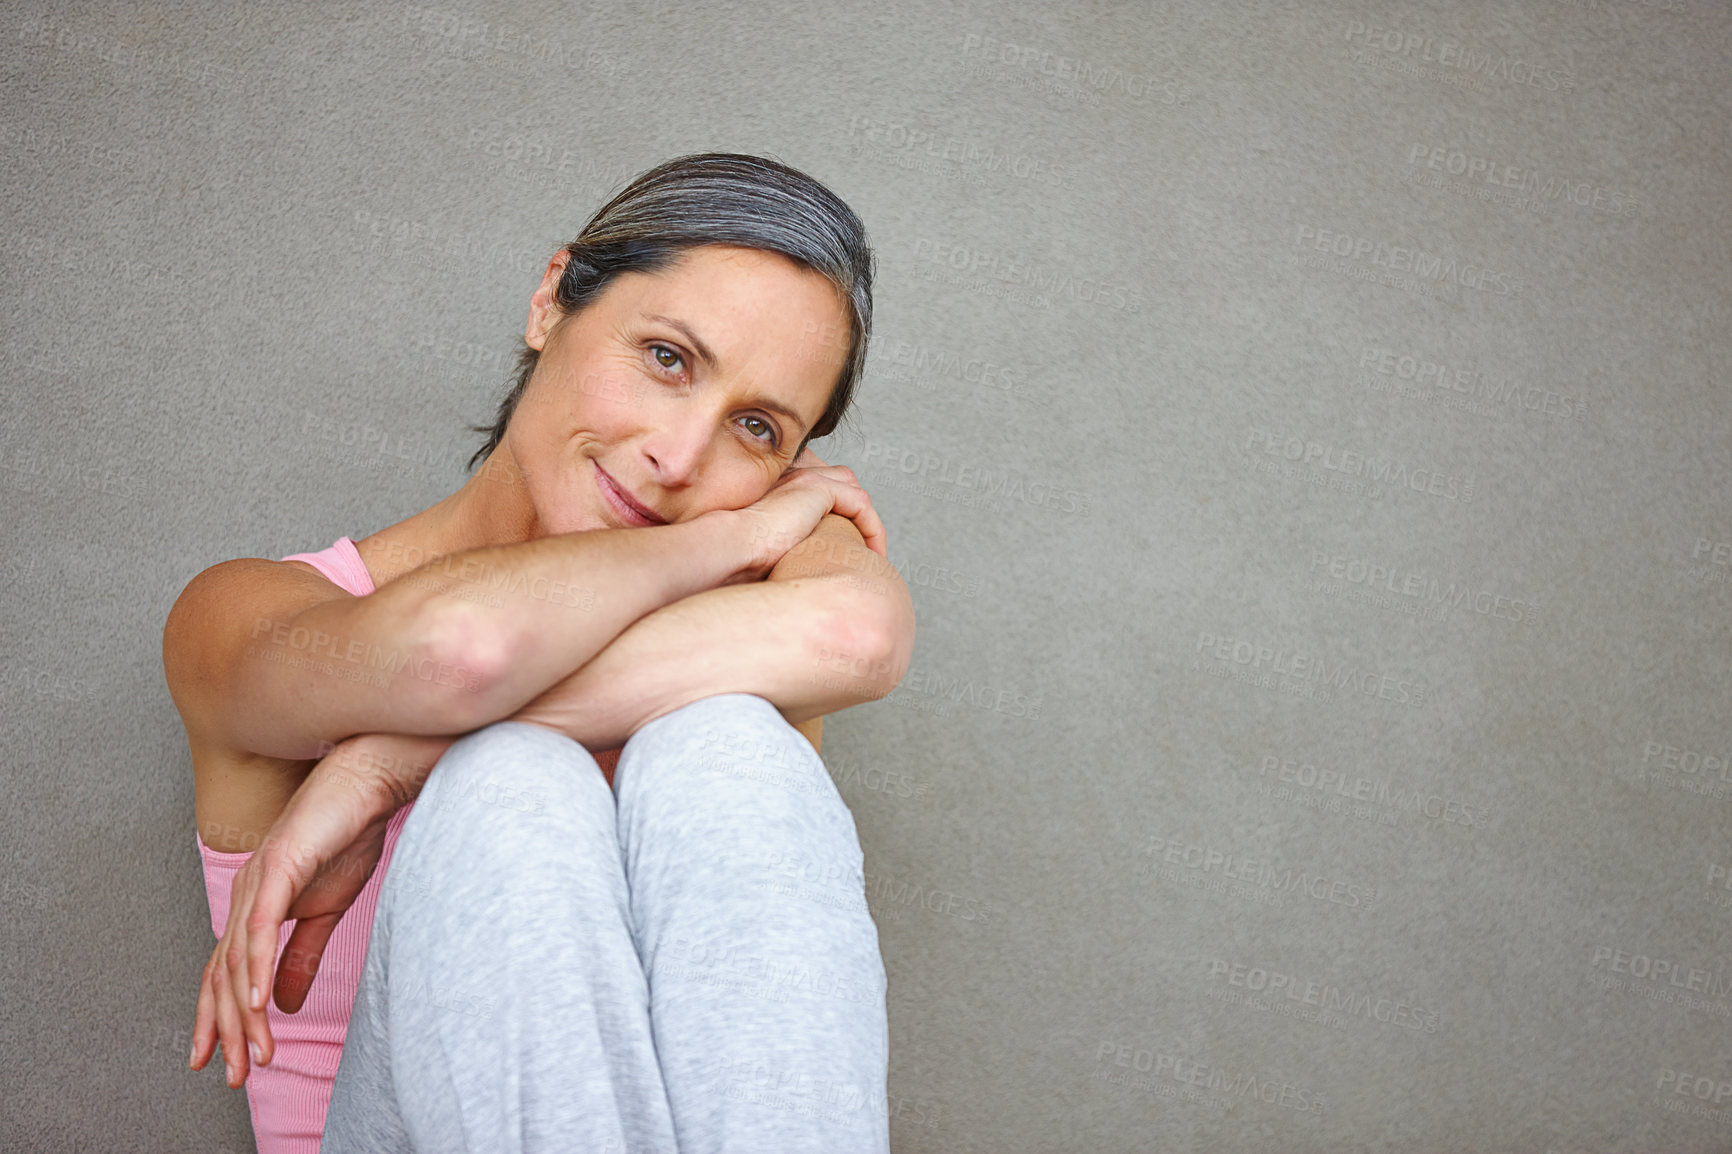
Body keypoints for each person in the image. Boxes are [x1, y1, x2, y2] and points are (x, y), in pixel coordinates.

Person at [161, 152, 916, 1153]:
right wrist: (722, 538)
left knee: (728, 747)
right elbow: (459, 651)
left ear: (792, 467)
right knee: (509, 778)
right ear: (552, 300)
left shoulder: (768, 605)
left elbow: (856, 631)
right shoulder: (249, 613)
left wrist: (391, 755)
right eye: (666, 357)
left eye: (756, 427)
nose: (681, 458)